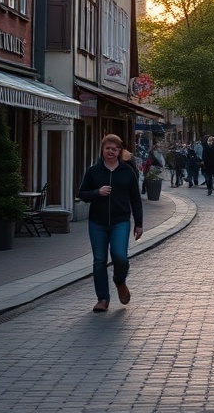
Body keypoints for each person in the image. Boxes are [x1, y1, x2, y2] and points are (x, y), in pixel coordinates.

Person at [77, 134, 144, 313]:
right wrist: (97, 192)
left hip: (120, 220)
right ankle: (103, 299)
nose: (111, 152)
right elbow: (82, 193)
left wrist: (139, 223)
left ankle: (120, 281)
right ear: (102, 150)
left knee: (120, 256)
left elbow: (136, 199)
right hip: (97, 222)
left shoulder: (127, 172)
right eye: (108, 148)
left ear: (120, 151)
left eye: (114, 149)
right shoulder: (93, 171)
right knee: (99, 260)